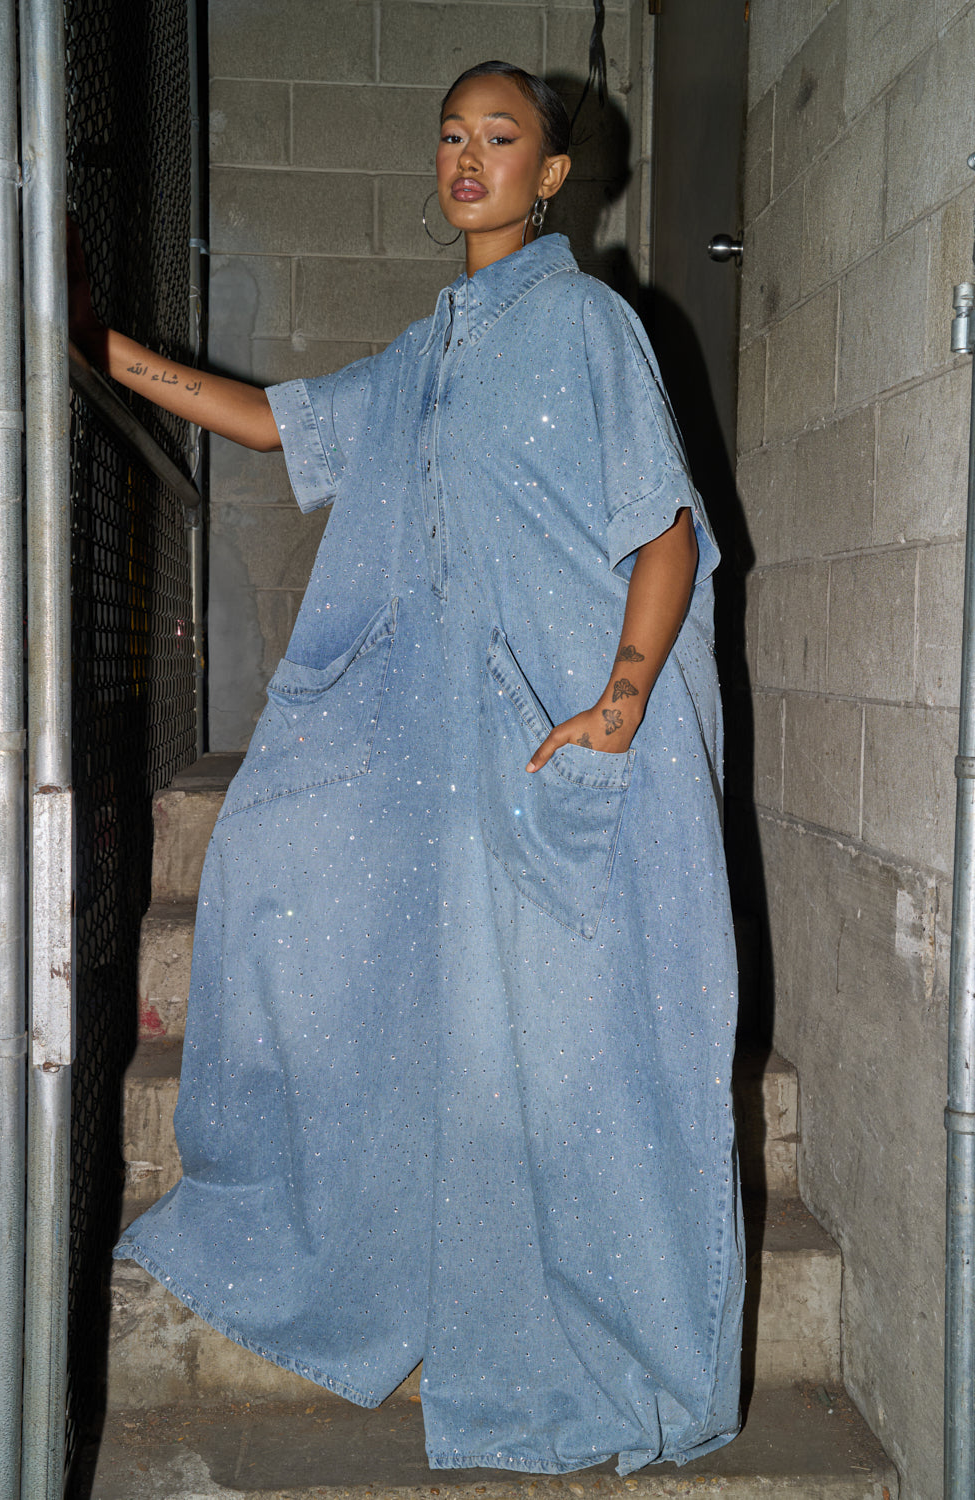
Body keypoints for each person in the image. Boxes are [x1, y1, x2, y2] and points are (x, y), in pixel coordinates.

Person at [72, 60, 744, 1476]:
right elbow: (279, 420)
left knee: (582, 1061)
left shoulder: (588, 325)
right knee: (306, 900)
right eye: (450, 133)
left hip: (566, 746)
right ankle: (417, 1267)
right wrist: (106, 351)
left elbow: (667, 529)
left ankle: (602, 1340)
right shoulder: (429, 351)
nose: (469, 156)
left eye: (501, 137)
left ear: (553, 174)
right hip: (449, 765)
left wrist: (622, 697)